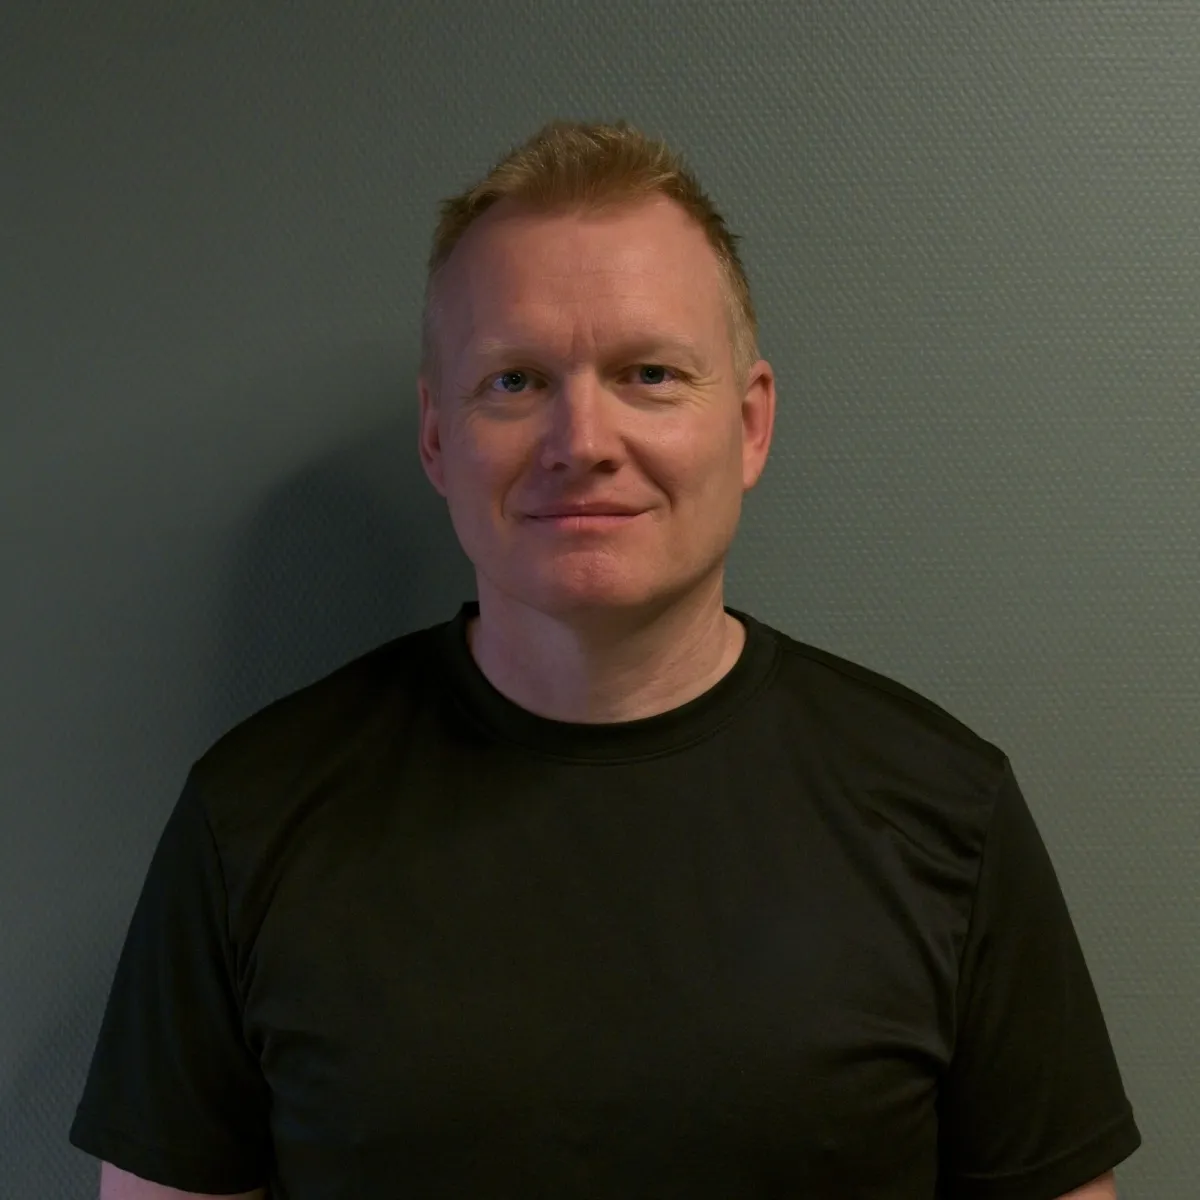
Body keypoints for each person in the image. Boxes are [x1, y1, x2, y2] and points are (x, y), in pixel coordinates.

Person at [70, 119, 1141, 1199]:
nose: (581, 439)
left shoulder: (945, 813)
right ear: (438, 438)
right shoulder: (251, 818)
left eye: (649, 373)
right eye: (516, 382)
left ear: (751, 424)